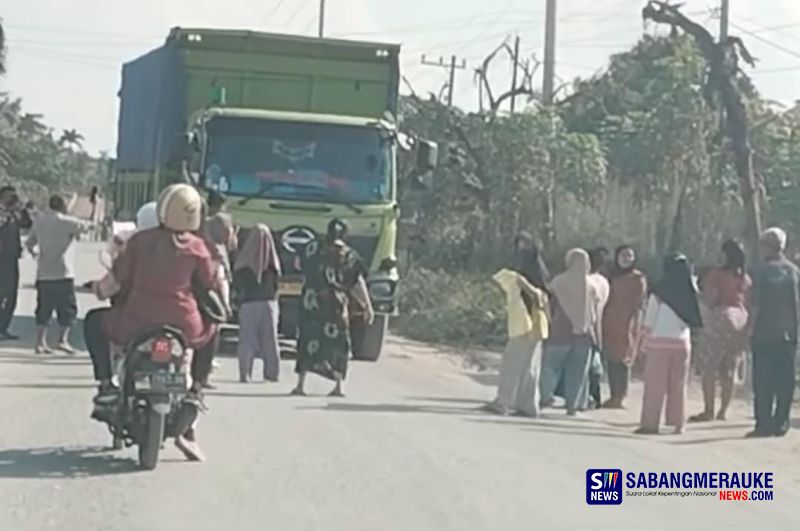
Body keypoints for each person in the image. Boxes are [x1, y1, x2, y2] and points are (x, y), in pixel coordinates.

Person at [84, 184, 219, 461]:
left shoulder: (139, 242)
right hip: (185, 324)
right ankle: (197, 389)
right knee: (213, 328)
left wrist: (97, 290)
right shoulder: (198, 247)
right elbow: (210, 284)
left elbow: (114, 283)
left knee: (93, 322)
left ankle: (106, 385)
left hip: (137, 321)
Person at [292, 219, 374, 397]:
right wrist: (367, 305)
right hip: (336, 303)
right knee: (339, 343)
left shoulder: (312, 247)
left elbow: (297, 264)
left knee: (307, 340)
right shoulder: (349, 255)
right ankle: (338, 386)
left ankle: (300, 385)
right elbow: (357, 282)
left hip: (311, 301)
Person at [637, 254, 702, 435]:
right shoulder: (691, 293)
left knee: (655, 385)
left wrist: (643, 343)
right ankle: (678, 423)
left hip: (658, 342)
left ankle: (650, 424)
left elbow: (649, 320)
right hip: (683, 343)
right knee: (679, 385)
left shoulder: (659, 293)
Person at [690, 240, 751, 423]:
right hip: (741, 319)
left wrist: (699, 292)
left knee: (709, 366)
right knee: (729, 367)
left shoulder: (716, 274)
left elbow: (712, 299)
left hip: (721, 318)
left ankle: (709, 410)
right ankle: (724, 410)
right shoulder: (745, 277)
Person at [747, 228, 800, 438]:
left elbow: (756, 303)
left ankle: (764, 423)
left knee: (763, 380)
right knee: (785, 380)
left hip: (764, 333)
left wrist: (749, 327)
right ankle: (781, 422)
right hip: (789, 334)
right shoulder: (794, 271)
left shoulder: (761, 271)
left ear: (767, 246)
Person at [26, 194, 92, 354]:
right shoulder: (67, 222)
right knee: (67, 309)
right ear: (63, 206)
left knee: (43, 308)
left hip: (44, 273)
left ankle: (39, 343)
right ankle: (62, 340)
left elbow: (29, 243)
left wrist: (35, 254)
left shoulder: (40, 221)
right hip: (63, 272)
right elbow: (88, 226)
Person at [539, 248, 600, 416]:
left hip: (560, 330)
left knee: (551, 366)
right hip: (585, 335)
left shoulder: (559, 281)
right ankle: (572, 405)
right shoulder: (592, 286)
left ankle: (546, 396)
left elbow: (548, 303)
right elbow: (596, 313)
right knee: (578, 371)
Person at [485, 267, 548, 417]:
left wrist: (523, 282)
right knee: (530, 369)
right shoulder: (540, 285)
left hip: (522, 329)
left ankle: (503, 403)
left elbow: (504, 281)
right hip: (536, 330)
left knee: (511, 367)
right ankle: (528, 406)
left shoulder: (515, 278)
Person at [233, 224, 282, 383]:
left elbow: (238, 285)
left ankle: (245, 373)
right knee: (270, 340)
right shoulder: (272, 263)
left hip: (248, 304)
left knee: (247, 340)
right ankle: (271, 373)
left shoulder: (242, 263)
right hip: (269, 304)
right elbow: (276, 284)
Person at [601, 245, 648, 409]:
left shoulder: (638, 278)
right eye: (623, 255)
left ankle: (621, 396)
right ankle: (614, 394)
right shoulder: (611, 276)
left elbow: (640, 303)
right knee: (611, 359)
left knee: (624, 360)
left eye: (630, 256)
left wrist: (637, 323)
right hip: (610, 322)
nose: (626, 259)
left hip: (628, 323)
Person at [203, 191, 237, 313]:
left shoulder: (200, 220)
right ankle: (226, 307)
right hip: (218, 257)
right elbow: (232, 244)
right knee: (222, 281)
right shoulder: (223, 219)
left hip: (201, 257)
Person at [587, 247, 611, 408]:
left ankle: (587, 396)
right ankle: (595, 396)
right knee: (595, 362)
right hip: (599, 321)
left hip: (587, 323)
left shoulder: (586, 280)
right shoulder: (604, 282)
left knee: (585, 363)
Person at [0, 185, 23, 341]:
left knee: (11, 295)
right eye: (9, 196)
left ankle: (3, 328)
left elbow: (27, 222)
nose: (12, 199)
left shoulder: (14, 214)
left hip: (11, 259)